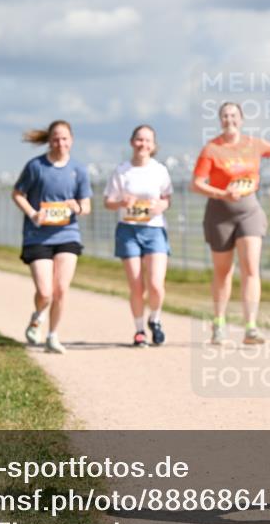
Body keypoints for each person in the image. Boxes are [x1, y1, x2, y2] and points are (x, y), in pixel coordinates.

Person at [192, 102, 270, 345]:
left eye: (233, 115)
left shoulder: (253, 144)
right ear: (220, 120)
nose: (229, 119)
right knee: (223, 272)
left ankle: (250, 327)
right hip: (220, 214)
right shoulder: (211, 149)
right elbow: (197, 183)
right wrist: (222, 194)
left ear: (241, 119)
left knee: (251, 268)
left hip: (248, 212)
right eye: (224, 115)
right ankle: (219, 323)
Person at [12, 120, 92, 354]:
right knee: (45, 292)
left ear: (72, 140)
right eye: (56, 138)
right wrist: (33, 213)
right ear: (49, 141)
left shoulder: (79, 170)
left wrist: (76, 206)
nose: (60, 143)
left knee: (61, 289)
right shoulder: (36, 167)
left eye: (65, 138)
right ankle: (38, 316)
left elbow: (86, 206)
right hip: (38, 236)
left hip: (67, 234)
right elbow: (17, 194)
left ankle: (53, 335)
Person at [103, 125, 173, 347]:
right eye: (139, 140)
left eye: (148, 141)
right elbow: (108, 202)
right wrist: (121, 202)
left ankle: (155, 319)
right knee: (136, 286)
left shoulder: (160, 170)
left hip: (154, 230)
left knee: (155, 284)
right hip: (128, 230)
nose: (143, 144)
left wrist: (161, 205)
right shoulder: (122, 171)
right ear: (132, 142)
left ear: (153, 145)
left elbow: (167, 198)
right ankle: (139, 329)